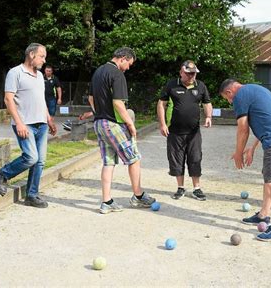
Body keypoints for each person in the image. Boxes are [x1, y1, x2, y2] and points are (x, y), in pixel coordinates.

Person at [218, 79, 271, 242]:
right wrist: (252, 148)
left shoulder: (240, 96)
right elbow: (268, 120)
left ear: (230, 92)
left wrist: (238, 153)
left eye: (227, 98)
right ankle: (263, 215)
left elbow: (243, 128)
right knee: (269, 177)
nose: (231, 102)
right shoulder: (255, 90)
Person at [91, 47, 155, 214]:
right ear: (123, 58)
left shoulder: (98, 71)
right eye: (129, 64)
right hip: (112, 125)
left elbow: (91, 98)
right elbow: (119, 103)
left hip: (99, 123)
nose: (128, 68)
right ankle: (138, 196)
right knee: (134, 158)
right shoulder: (117, 74)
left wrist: (100, 112)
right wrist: (130, 124)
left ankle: (106, 202)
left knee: (108, 162)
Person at [0, 43, 57, 208]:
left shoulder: (39, 76)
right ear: (31, 54)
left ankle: (32, 195)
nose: (44, 60)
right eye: (42, 56)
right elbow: (8, 99)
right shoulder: (15, 73)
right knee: (31, 157)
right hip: (25, 124)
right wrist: (19, 123)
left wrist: (49, 119)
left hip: (41, 124)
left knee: (40, 161)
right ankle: (3, 173)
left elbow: (41, 100)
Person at [157, 60, 213, 201]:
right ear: (181, 72)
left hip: (194, 132)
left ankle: (197, 188)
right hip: (174, 131)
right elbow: (161, 104)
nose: (191, 76)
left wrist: (208, 116)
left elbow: (207, 103)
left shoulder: (200, 86)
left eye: (193, 74)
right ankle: (180, 188)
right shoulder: (171, 84)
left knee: (195, 158)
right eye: (188, 73)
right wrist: (162, 124)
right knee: (176, 159)